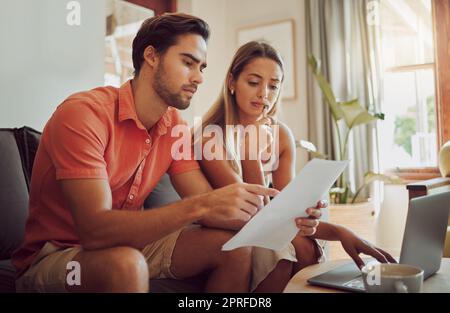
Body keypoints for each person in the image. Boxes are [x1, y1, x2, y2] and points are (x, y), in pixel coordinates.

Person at [11, 13, 322, 293]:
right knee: (125, 265)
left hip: (131, 242)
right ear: (151, 57)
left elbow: (212, 206)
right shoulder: (83, 115)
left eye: (201, 67)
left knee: (234, 248)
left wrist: (293, 222)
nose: (199, 77)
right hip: (60, 253)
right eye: (188, 63)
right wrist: (200, 206)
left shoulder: (174, 126)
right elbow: (94, 231)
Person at [197, 41, 396, 292]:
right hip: (232, 228)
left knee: (306, 245)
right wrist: (251, 150)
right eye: (254, 82)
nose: (264, 94)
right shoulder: (210, 138)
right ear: (232, 82)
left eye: (273, 85)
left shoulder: (280, 134)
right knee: (290, 251)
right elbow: (255, 213)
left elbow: (287, 212)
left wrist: (338, 230)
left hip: (268, 225)